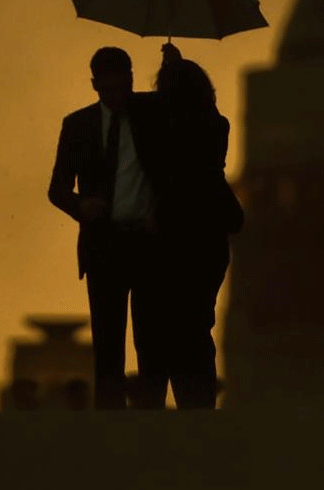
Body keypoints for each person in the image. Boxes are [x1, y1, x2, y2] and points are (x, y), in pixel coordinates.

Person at [47, 47, 170, 410]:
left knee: (151, 341)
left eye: (125, 85)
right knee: (107, 342)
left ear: (133, 80)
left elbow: (181, 103)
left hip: (147, 243)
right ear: (95, 85)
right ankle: (111, 425)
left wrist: (172, 67)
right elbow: (57, 189)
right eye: (111, 88)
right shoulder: (78, 125)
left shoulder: (152, 113)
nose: (119, 95)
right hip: (104, 245)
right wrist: (80, 206)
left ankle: (150, 414)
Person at [154, 43, 243, 409]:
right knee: (197, 324)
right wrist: (177, 70)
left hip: (179, 238)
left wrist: (170, 73)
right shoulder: (216, 125)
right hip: (210, 238)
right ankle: (199, 400)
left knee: (175, 327)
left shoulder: (168, 128)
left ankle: (190, 399)